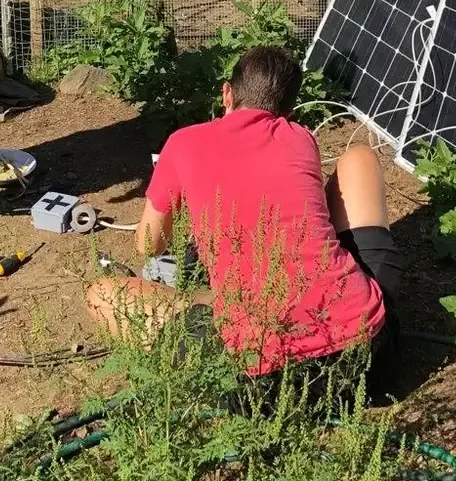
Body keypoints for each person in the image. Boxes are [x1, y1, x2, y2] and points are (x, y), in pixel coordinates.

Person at [86, 45, 405, 395]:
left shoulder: (183, 143)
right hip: (370, 356)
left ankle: (216, 311)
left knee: (102, 294)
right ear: (290, 111)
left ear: (227, 93)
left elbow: (148, 244)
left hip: (264, 382)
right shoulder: (302, 138)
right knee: (359, 157)